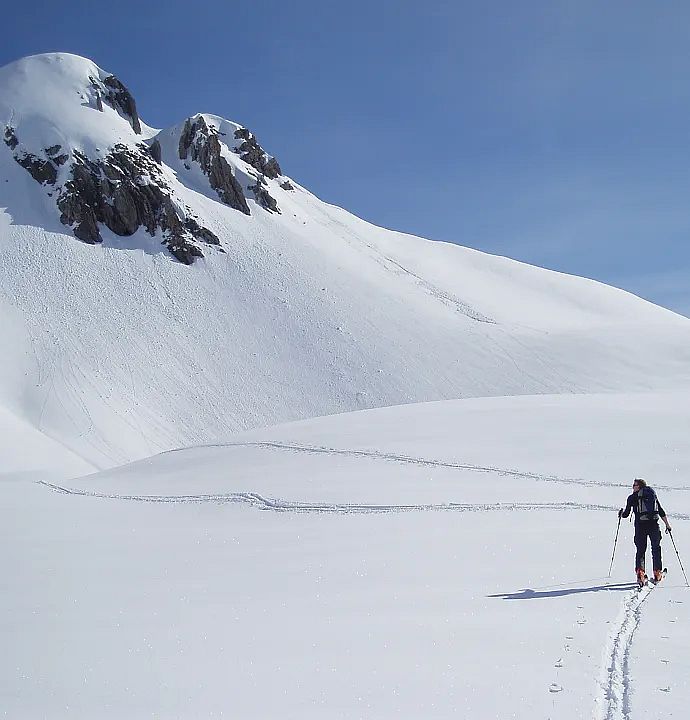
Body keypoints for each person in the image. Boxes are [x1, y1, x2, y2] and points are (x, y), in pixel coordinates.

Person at [619, 478, 672, 585]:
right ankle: (657, 572)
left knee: (641, 550)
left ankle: (640, 573)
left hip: (640, 527)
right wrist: (667, 525)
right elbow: (660, 511)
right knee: (656, 548)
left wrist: (621, 513)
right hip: (654, 525)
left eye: (634, 485)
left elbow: (626, 514)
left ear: (639, 487)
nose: (633, 487)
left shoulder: (632, 498)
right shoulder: (652, 495)